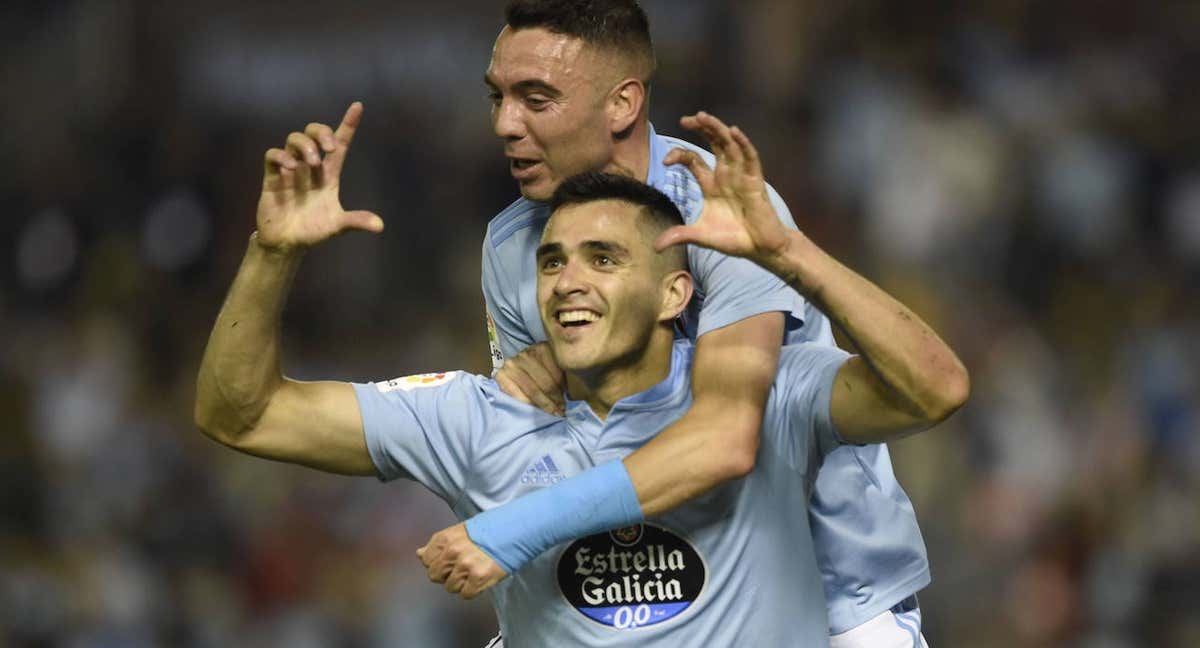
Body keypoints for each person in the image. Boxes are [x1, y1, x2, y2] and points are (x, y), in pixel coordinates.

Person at [192, 102, 968, 645]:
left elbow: (936, 386)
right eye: (553, 261)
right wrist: (272, 254)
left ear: (676, 291)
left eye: (604, 259)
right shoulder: (477, 417)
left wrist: (791, 256)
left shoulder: (771, 397)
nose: (570, 280)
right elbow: (243, 415)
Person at [412, 1, 937, 644]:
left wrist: (510, 533)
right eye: (497, 97)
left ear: (622, 105)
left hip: (832, 591)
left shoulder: (722, 212)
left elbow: (725, 439)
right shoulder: (511, 247)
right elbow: (545, 449)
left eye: (536, 99)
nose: (504, 124)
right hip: (661, 589)